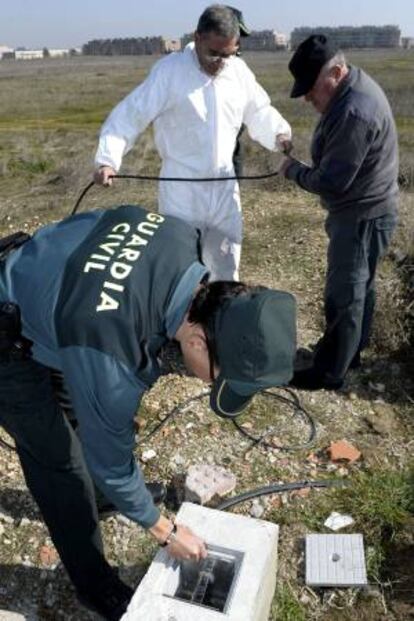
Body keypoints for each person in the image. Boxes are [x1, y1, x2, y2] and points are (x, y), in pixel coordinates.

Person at [0, 204, 296, 620]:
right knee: (60, 466)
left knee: (80, 409)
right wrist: (166, 531)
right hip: (8, 337)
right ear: (195, 341)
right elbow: (114, 463)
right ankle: (94, 586)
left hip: (57, 306)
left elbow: (83, 229)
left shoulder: (176, 233)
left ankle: (101, 499)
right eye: (217, 377)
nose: (210, 384)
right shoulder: (113, 362)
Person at [94, 4, 292, 281]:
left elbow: (259, 110)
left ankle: (220, 318)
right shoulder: (169, 72)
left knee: (225, 265)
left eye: (228, 54)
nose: (220, 62)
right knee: (181, 269)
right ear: (197, 37)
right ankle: (180, 321)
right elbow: (130, 115)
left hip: (224, 187)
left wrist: (279, 135)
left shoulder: (238, 71)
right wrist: (108, 159)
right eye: (214, 53)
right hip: (181, 192)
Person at [279, 34, 399, 390]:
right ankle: (350, 353)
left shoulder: (354, 110)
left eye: (310, 89)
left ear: (335, 73)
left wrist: (294, 170)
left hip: (361, 215)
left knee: (345, 293)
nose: (306, 98)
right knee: (360, 286)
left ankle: (329, 371)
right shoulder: (351, 89)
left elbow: (332, 182)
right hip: (369, 210)